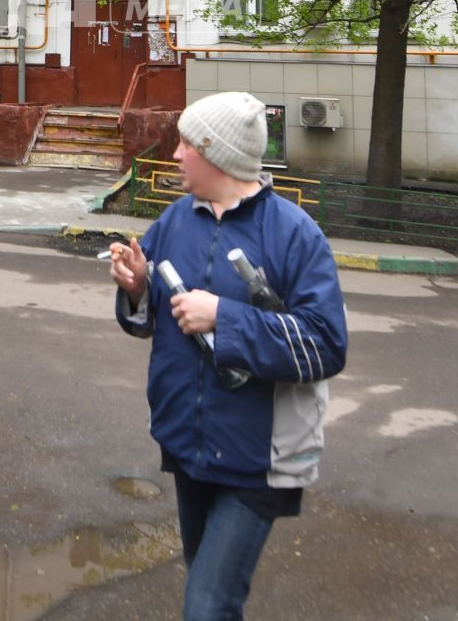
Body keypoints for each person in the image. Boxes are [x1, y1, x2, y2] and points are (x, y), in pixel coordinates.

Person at [108, 91, 348, 621]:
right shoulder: (175, 221)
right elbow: (147, 316)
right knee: (207, 585)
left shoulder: (294, 235)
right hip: (188, 443)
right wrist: (137, 287)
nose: (174, 155)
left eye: (186, 144)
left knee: (207, 604)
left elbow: (326, 345)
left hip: (257, 460)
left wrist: (224, 316)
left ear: (215, 153)